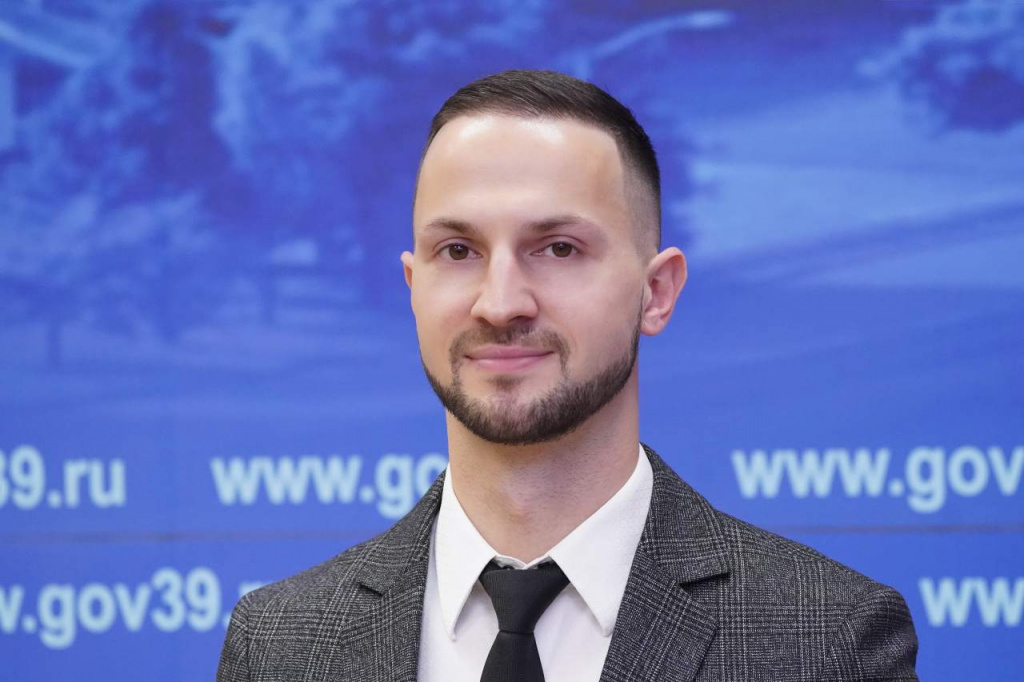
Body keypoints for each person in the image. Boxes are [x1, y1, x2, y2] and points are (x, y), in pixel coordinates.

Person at [217, 69, 919, 682]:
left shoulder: (826, 640)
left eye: (557, 248)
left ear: (657, 292)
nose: (500, 304)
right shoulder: (278, 646)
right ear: (412, 287)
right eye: (458, 250)